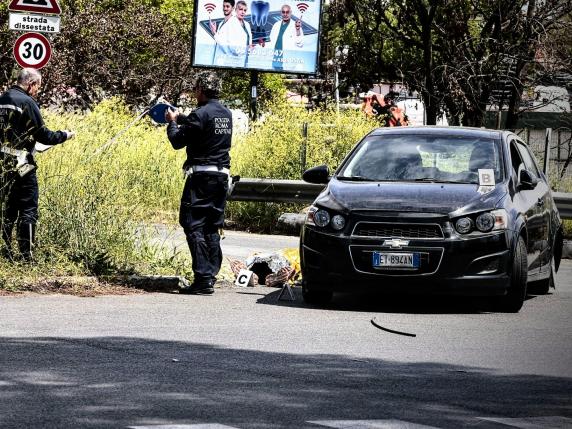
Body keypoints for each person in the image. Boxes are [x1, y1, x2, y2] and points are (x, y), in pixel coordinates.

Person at [165, 71, 232, 295]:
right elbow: (202, 126)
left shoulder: (200, 114)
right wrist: (184, 117)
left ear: (200, 90)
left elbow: (177, 141)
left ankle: (202, 278)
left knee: (192, 224)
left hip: (201, 179)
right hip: (222, 178)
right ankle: (210, 275)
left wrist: (172, 122)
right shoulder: (226, 113)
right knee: (211, 226)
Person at [0, 68, 75, 261]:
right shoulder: (26, 102)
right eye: (37, 88)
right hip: (21, 162)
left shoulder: (2, 98)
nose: (37, 92)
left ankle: (5, 252)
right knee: (28, 206)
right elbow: (44, 135)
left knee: (6, 208)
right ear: (31, 84)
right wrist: (64, 135)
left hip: (1, 161)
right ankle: (27, 256)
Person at [269, 4, 304, 70]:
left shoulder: (296, 26)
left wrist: (298, 30)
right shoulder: (276, 25)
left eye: (287, 12)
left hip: (288, 60)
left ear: (290, 13)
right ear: (281, 13)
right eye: (283, 12)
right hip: (275, 58)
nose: (285, 14)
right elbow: (271, 39)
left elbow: (300, 43)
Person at [209, 0, 236, 66]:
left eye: (227, 6)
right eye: (224, 6)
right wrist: (214, 32)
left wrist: (214, 33)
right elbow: (219, 41)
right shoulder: (221, 23)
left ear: (233, 8)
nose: (225, 8)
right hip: (217, 61)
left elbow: (228, 47)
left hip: (227, 63)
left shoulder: (235, 23)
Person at [227, 1, 253, 67]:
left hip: (246, 58)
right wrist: (244, 50)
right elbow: (231, 44)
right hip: (235, 59)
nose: (243, 12)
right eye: (241, 9)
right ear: (236, 10)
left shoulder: (247, 24)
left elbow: (249, 41)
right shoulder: (231, 22)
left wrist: (250, 48)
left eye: (245, 10)